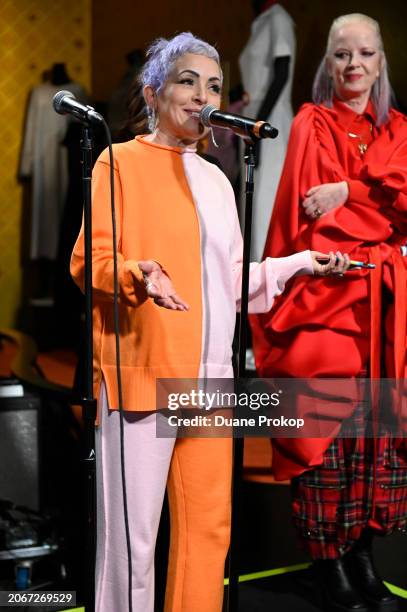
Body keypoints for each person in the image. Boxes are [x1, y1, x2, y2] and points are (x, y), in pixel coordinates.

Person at [70, 32, 349, 612]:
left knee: (207, 534)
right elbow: (88, 261)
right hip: (141, 376)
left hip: (211, 383)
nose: (203, 96)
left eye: (215, 86)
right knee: (133, 544)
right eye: (187, 82)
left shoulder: (220, 181)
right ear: (153, 92)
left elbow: (227, 283)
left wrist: (298, 264)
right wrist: (140, 274)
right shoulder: (118, 161)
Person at [251, 13, 407, 612]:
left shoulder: (399, 127)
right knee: (329, 432)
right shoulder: (310, 123)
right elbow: (324, 221)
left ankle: (363, 559)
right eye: (343, 54)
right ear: (328, 62)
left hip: (386, 306)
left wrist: (352, 190)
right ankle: (329, 565)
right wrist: (374, 203)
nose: (354, 65)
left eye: (365, 53)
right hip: (326, 301)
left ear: (381, 59)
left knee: (380, 436)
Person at [239, 0, 296, 261]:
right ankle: (251, 275)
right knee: (252, 199)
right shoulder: (261, 22)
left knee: (264, 200)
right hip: (255, 118)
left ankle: (267, 276)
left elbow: (281, 74)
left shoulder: (278, 19)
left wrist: (259, 128)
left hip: (269, 120)